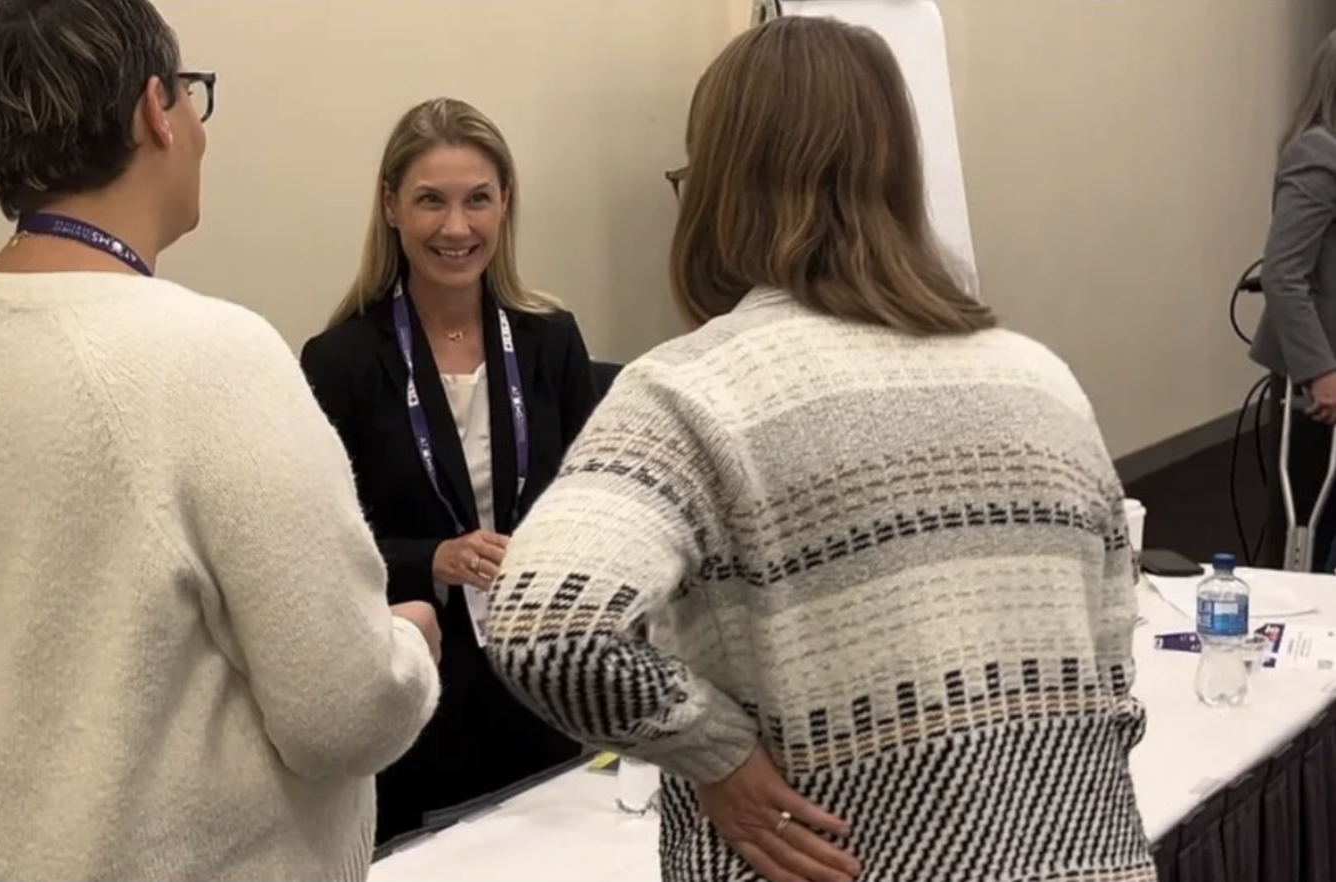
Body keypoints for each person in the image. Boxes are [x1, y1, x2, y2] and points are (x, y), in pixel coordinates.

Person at [486, 16, 1153, 882]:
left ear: (717, 180)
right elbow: (1114, 676)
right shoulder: (1041, 381)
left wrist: (715, 751)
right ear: (899, 173)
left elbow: (546, 629)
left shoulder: (692, 392)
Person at [0, 2, 440, 879]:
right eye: (192, 95)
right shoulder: (211, 357)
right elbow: (340, 713)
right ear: (153, 112)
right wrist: (408, 646)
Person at [300, 97, 596, 844]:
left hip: (543, 682)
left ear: (506, 205)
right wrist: (433, 557)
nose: (456, 228)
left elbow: (595, 501)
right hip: (424, 703)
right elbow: (325, 549)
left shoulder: (550, 339)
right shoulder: (340, 360)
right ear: (391, 205)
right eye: (431, 200)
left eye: (478, 200)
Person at [1249, 30, 1336, 571]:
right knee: (1305, 517)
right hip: (1322, 375)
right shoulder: (1318, 153)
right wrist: (1319, 371)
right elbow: (1283, 274)